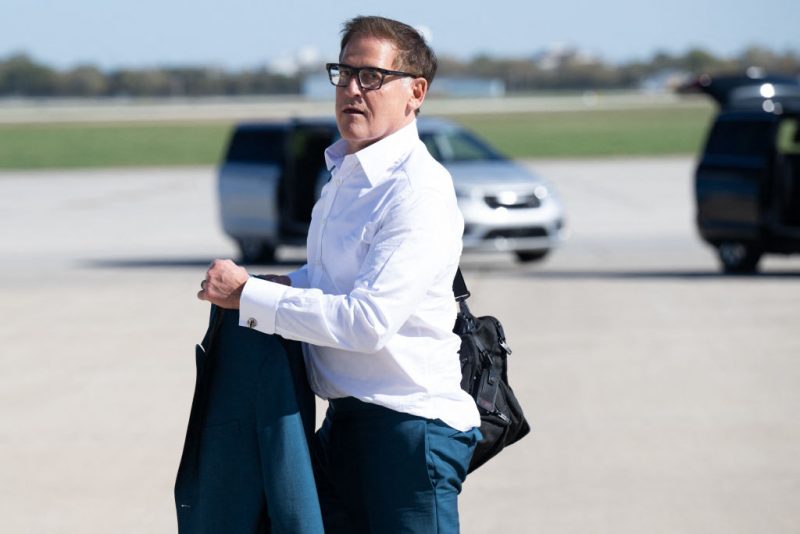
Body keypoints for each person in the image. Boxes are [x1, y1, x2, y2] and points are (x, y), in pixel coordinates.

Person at [198, 15, 481, 533]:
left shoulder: (416, 191)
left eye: (371, 76)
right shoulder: (344, 177)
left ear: (415, 92)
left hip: (410, 431)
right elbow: (328, 283)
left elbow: (367, 322)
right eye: (343, 73)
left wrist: (252, 299)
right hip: (346, 426)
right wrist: (259, 288)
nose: (352, 88)